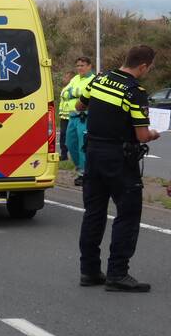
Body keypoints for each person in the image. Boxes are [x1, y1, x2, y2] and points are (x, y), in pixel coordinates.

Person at [76, 45, 161, 292]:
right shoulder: (135, 92)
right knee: (128, 213)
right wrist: (154, 134)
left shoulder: (99, 79)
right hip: (119, 159)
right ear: (143, 66)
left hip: (93, 154)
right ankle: (117, 273)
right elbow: (142, 135)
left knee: (94, 213)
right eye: (149, 68)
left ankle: (89, 271)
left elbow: (80, 106)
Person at [64, 57, 95, 185]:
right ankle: (80, 169)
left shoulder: (93, 79)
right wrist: (76, 93)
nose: (79, 68)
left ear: (89, 66)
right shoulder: (75, 78)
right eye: (77, 66)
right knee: (70, 144)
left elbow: (86, 94)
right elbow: (65, 93)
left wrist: (73, 92)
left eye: (82, 65)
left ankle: (84, 174)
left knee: (83, 146)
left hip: (84, 117)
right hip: (72, 116)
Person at [58, 70, 75, 161]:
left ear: (71, 79)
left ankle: (69, 155)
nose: (63, 78)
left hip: (71, 116)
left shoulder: (72, 87)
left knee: (69, 137)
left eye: (66, 77)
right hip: (64, 116)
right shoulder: (65, 88)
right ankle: (64, 155)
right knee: (63, 136)